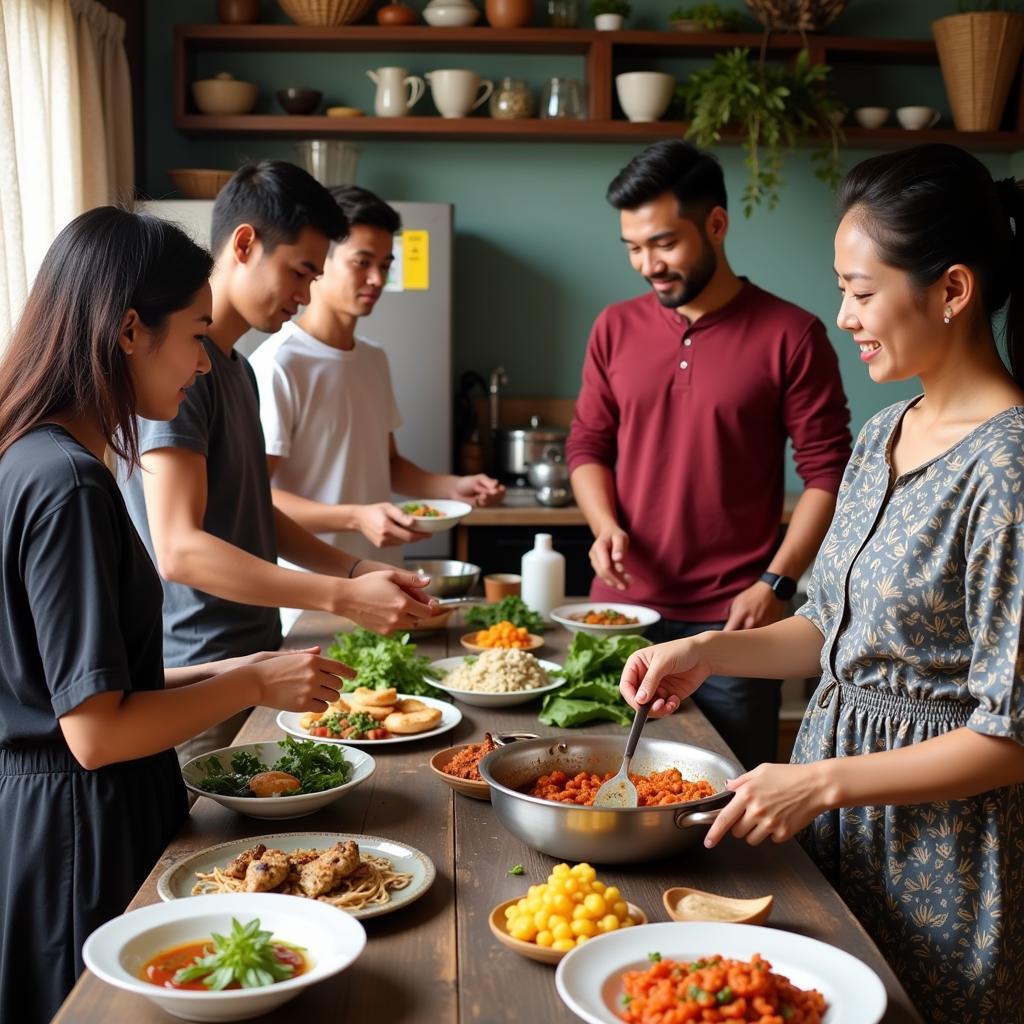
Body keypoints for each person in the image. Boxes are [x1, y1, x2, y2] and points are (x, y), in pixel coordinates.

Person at [620, 144, 1024, 1023]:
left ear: (953, 290)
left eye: (862, 291)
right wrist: (702, 649)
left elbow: (1011, 736)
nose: (843, 315)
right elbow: (829, 632)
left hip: (940, 861)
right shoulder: (884, 434)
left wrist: (821, 782)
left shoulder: (1010, 469)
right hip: (829, 829)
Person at [0, 208, 353, 1024]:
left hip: (62, 819)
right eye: (195, 333)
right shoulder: (68, 483)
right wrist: (256, 676)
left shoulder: (37, 457)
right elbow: (93, 733)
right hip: (79, 837)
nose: (203, 360)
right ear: (128, 330)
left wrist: (233, 674)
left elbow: (93, 691)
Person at [121, 163, 436, 760]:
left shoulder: (235, 367)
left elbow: (253, 509)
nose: (307, 291)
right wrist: (339, 597)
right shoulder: (178, 370)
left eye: (316, 274)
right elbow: (179, 549)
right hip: (201, 675)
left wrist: (355, 570)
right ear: (245, 244)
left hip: (258, 660)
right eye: (299, 270)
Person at [568, 140, 852, 769]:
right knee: (600, 787)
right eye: (634, 248)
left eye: (664, 243)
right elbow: (587, 444)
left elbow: (828, 472)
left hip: (734, 627)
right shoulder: (614, 327)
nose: (648, 264)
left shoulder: (793, 334)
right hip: (621, 616)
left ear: (717, 225)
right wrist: (603, 525)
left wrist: (776, 582)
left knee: (725, 804)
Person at [250, 185, 504, 631]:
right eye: (362, 262)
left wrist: (452, 487)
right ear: (322, 259)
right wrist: (356, 515)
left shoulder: (372, 358)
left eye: (385, 265)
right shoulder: (277, 364)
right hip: (315, 597)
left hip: (383, 583)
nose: (377, 279)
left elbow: (388, 464)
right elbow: (257, 494)